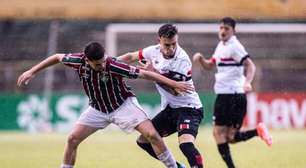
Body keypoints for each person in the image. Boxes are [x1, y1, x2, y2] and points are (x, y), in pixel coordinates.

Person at [17, 42, 194, 168]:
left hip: (123, 106)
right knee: (72, 139)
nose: (102, 65)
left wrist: (174, 84)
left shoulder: (113, 65)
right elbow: (56, 57)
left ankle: (175, 167)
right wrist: (32, 71)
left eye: (103, 61)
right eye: (97, 64)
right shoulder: (77, 61)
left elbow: (146, 75)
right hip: (97, 109)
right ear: (86, 60)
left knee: (152, 135)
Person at [119, 24, 204, 168]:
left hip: (189, 108)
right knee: (143, 141)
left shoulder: (182, 60)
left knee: (186, 145)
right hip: (170, 110)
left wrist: (153, 74)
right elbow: (130, 56)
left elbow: (176, 91)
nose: (171, 48)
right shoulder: (153, 51)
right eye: (167, 45)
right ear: (159, 41)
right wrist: (108, 63)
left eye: (174, 44)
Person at [192, 17, 273, 168]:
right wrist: (202, 59)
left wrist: (247, 82)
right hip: (229, 95)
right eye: (221, 28)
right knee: (230, 137)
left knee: (218, 134)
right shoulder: (221, 45)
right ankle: (257, 131)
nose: (223, 31)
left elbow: (250, 65)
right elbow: (211, 65)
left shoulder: (235, 46)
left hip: (231, 95)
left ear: (233, 31)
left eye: (226, 29)